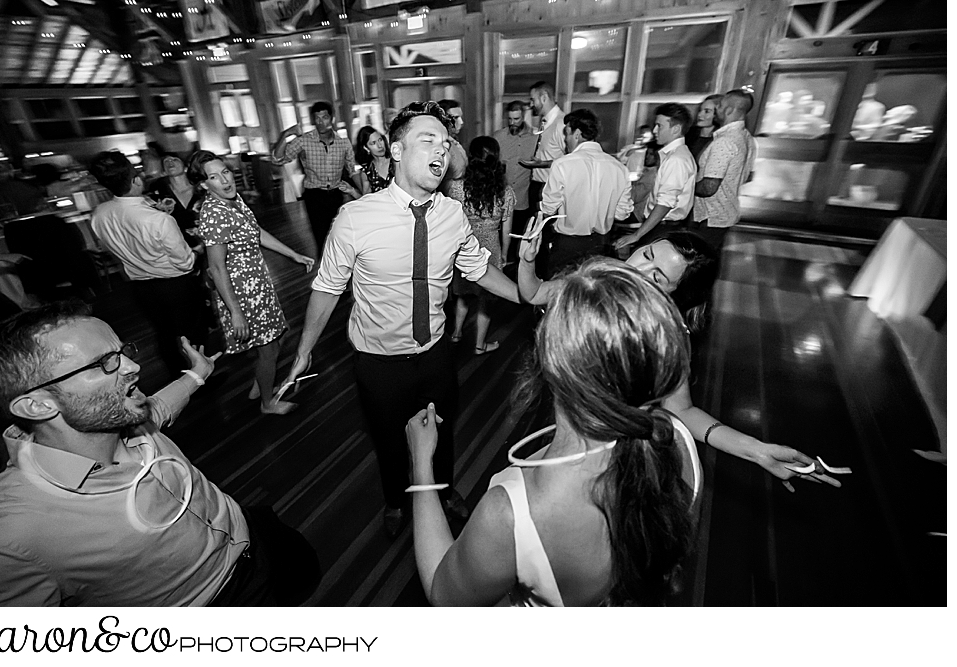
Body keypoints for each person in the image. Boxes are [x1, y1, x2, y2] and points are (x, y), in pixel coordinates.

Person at [0, 301, 321, 606]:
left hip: (250, 534)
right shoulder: (5, 540)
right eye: (105, 363)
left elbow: (160, 406)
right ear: (36, 405)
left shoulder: (119, 417)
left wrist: (198, 374)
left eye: (123, 352)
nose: (132, 367)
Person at [281, 101, 520, 538]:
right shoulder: (355, 218)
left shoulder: (452, 213)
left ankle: (444, 492)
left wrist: (528, 294)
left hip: (434, 355)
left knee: (442, 433)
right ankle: (396, 500)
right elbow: (327, 287)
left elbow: (479, 268)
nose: (441, 151)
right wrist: (303, 351)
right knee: (389, 441)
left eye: (446, 145)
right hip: (378, 362)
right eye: (428, 140)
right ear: (395, 150)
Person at [407, 260, 701, 605]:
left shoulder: (512, 512)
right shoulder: (677, 438)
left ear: (549, 360)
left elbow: (446, 598)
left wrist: (422, 466)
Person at [519, 222, 843, 489]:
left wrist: (756, 450)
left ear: (672, 294)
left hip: (606, 447)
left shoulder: (665, 334)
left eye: (658, 276)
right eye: (645, 255)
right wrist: (527, 261)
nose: (639, 269)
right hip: (568, 419)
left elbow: (683, 410)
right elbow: (535, 293)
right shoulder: (597, 275)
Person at [189, 150, 315, 416]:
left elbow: (255, 232)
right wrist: (235, 311)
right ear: (203, 184)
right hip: (241, 294)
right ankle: (267, 403)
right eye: (214, 176)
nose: (224, 180)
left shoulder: (234, 200)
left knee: (277, 338)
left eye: (225, 171)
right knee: (269, 349)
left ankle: (261, 383)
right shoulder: (214, 212)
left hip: (258, 285)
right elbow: (216, 267)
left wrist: (292, 254)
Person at [89, 151, 209, 378]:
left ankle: (177, 376)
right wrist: (200, 248)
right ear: (135, 180)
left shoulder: (99, 214)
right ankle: (200, 379)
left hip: (142, 289)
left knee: (164, 334)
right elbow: (185, 263)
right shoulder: (158, 219)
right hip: (176, 286)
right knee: (192, 335)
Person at [539, 108, 633, 276]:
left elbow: (548, 209)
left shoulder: (562, 165)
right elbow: (622, 214)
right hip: (601, 245)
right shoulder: (619, 168)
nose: (566, 139)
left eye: (567, 133)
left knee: (559, 292)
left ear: (577, 134)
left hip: (567, 245)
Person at [448, 136, 516, 354]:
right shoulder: (505, 192)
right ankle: (479, 345)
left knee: (463, 294)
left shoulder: (456, 189)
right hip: (490, 250)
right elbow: (506, 231)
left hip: (464, 248)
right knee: (486, 299)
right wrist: (504, 255)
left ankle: (456, 333)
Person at [270, 102, 364, 252]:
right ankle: (327, 271)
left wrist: (364, 194)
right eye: (317, 118)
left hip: (336, 195)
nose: (321, 122)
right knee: (321, 238)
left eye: (325, 117)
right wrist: (285, 135)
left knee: (341, 236)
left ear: (332, 118)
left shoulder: (343, 143)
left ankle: (344, 270)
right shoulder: (303, 141)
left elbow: (352, 171)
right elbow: (277, 159)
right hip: (315, 196)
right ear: (313, 120)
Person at [613, 103, 696, 253]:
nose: (655, 130)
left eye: (659, 126)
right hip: (660, 225)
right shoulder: (674, 155)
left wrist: (637, 235)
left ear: (676, 129)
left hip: (663, 226)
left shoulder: (676, 159)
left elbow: (665, 203)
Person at [692, 89, 757, 254]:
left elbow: (708, 188)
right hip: (725, 212)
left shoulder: (724, 142)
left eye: (719, 106)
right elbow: (747, 175)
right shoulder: (746, 136)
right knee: (711, 257)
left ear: (729, 110)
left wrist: (684, 185)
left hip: (711, 215)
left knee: (697, 261)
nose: (717, 110)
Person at [492, 100, 537, 264]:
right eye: (510, 119)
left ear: (523, 116)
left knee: (517, 240)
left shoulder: (535, 137)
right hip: (501, 199)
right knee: (500, 239)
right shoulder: (498, 137)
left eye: (516, 119)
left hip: (522, 200)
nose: (512, 123)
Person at [519, 81, 566, 214]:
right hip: (537, 184)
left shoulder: (561, 124)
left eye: (533, 100)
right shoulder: (545, 121)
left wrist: (543, 163)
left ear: (544, 97)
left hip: (549, 187)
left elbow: (571, 161)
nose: (531, 104)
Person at [147, 152, 204, 248]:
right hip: (178, 248)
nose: (170, 162)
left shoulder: (202, 189)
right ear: (164, 171)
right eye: (166, 161)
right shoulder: (160, 195)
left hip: (209, 243)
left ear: (185, 165)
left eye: (175, 159)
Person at [685, 94, 724, 163]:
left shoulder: (721, 140)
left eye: (707, 111)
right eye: (700, 110)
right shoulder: (688, 133)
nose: (700, 114)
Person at [354, 125, 391, 193]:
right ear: (366, 148)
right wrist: (352, 192)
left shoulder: (396, 162)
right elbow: (367, 200)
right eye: (373, 143)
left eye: (380, 140)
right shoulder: (367, 172)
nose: (380, 145)